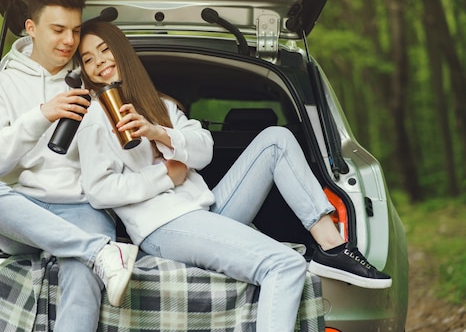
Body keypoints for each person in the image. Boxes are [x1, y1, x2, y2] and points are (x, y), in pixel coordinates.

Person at [75, 21, 392, 332]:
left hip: (206, 210)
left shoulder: (161, 106)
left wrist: (160, 133)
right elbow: (99, 190)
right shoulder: (95, 119)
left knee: (277, 140)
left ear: (122, 52)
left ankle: (332, 247)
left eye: (104, 50)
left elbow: (204, 151)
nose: (99, 62)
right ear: (85, 72)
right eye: (88, 59)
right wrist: (165, 177)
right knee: (285, 264)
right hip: (164, 226)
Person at [0, 0, 138, 332]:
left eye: (74, 30)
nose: (69, 41)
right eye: (58, 29)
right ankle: (100, 250)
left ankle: (93, 252)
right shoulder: (1, 87)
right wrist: (42, 114)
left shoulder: (91, 77)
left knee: (82, 271)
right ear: (31, 28)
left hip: (82, 208)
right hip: (24, 210)